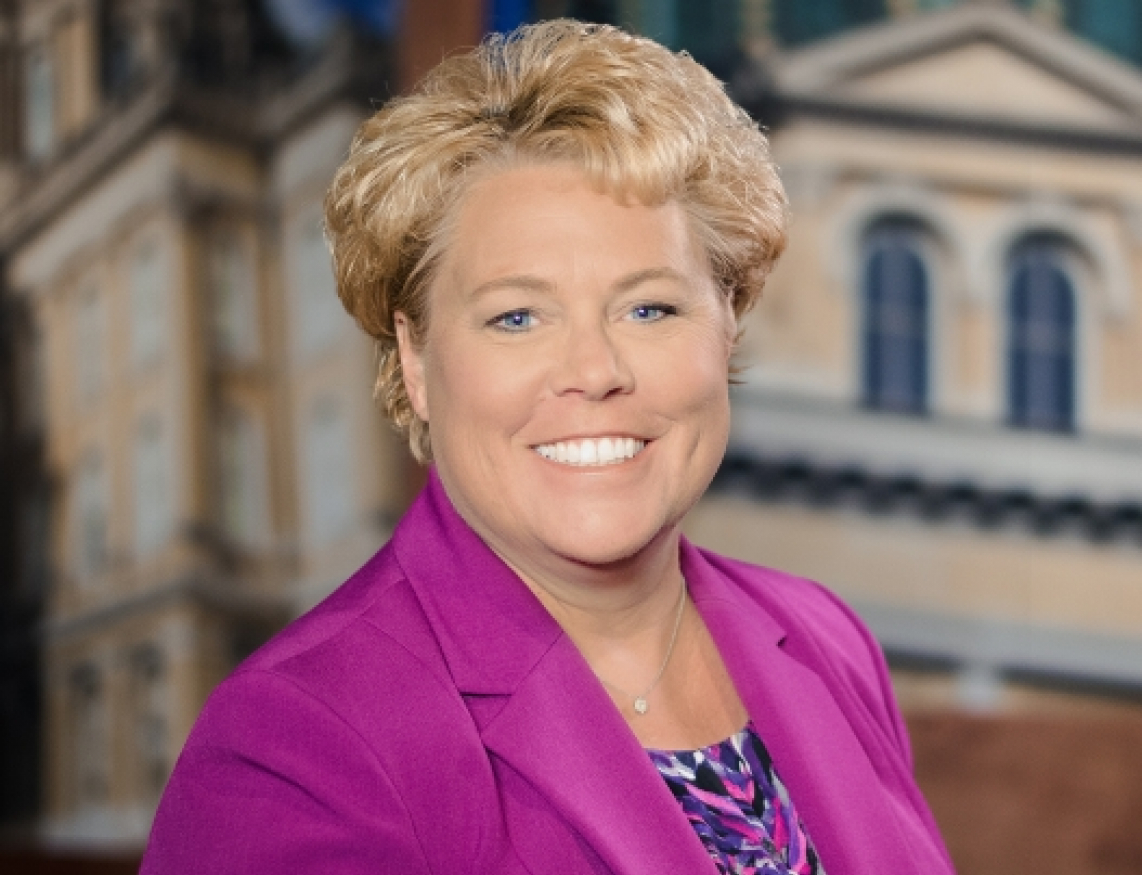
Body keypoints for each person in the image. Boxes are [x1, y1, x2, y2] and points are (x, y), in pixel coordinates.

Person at [142, 19, 954, 875]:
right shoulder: (296, 743)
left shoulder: (823, 637)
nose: (594, 371)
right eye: (516, 317)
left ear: (727, 325)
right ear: (416, 361)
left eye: (650, 308)